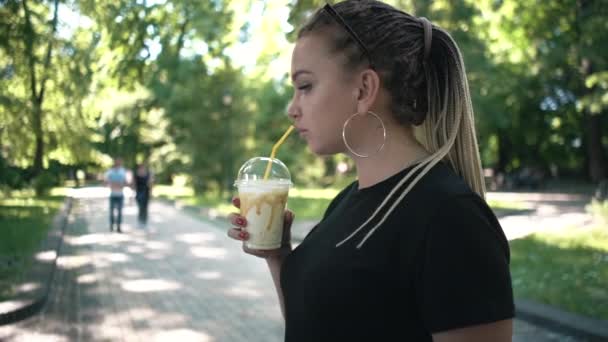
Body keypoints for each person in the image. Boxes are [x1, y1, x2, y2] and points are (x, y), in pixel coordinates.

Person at [227, 1, 514, 341]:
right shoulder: (347, 200)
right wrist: (278, 256)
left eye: (305, 86)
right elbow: (318, 325)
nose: (292, 109)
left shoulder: (450, 217)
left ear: (364, 90)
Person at [105, 157, 127, 233]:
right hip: (113, 194)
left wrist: (118, 184)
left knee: (120, 212)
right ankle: (111, 226)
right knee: (112, 212)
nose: (118, 163)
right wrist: (114, 184)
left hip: (120, 194)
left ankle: (118, 227)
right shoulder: (110, 171)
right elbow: (107, 182)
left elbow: (125, 182)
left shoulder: (123, 171)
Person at [134, 162, 153, 228]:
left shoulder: (148, 174)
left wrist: (151, 192)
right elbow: (135, 184)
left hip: (146, 193)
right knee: (140, 207)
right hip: (139, 193)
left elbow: (150, 184)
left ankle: (144, 221)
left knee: (145, 208)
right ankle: (140, 221)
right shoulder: (136, 174)